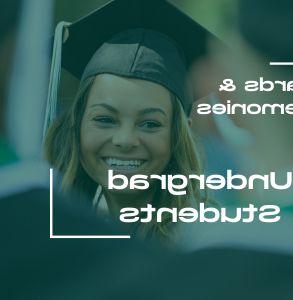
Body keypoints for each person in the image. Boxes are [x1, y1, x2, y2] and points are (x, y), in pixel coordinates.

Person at [43, 0, 218, 245]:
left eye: (150, 124)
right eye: (105, 119)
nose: (125, 140)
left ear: (180, 134)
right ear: (77, 125)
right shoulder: (46, 231)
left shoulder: (203, 244)